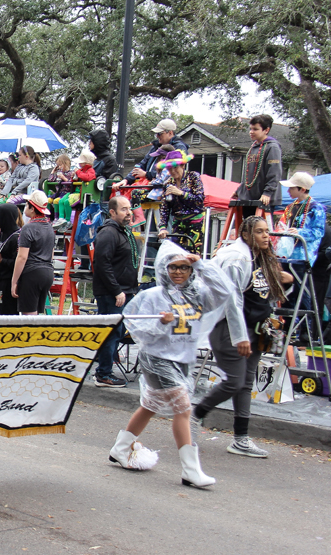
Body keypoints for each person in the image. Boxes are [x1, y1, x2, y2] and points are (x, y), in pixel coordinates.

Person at [109, 241, 232, 488]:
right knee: (183, 409)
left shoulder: (197, 295)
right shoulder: (152, 296)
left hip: (182, 360)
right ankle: (190, 471)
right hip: (157, 360)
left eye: (184, 267)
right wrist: (161, 324)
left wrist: (203, 265)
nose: (178, 272)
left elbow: (224, 293)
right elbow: (135, 327)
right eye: (173, 267)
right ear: (164, 269)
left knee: (150, 406)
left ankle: (120, 449)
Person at [192, 216, 293, 458]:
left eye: (267, 231)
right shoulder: (237, 258)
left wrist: (284, 281)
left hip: (255, 328)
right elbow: (231, 300)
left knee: (245, 384)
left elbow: (261, 292)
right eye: (259, 231)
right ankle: (194, 415)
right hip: (230, 328)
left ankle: (241, 439)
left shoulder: (262, 258)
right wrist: (239, 337)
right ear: (246, 234)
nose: (266, 235)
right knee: (235, 382)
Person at [92, 196, 139, 387]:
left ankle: (105, 367)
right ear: (112, 212)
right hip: (112, 293)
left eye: (129, 209)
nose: (128, 213)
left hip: (124, 291)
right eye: (123, 209)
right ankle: (103, 373)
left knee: (117, 332)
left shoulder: (122, 231)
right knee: (110, 332)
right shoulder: (109, 233)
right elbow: (102, 264)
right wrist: (117, 290)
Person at [277, 172, 324, 344]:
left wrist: (300, 232)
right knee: (286, 290)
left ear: (302, 189)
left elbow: (318, 232)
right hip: (285, 253)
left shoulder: (316, 208)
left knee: (302, 291)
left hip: (302, 254)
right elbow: (282, 223)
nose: (288, 191)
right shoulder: (290, 207)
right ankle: (288, 328)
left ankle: (306, 331)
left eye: (292, 188)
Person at [230, 114, 283, 218]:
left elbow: (274, 172)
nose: (251, 132)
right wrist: (240, 191)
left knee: (259, 230)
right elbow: (248, 174)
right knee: (247, 230)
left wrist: (267, 193)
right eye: (250, 129)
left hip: (263, 199)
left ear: (266, 130)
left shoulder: (272, 147)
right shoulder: (253, 147)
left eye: (255, 129)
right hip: (249, 198)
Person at [112, 118, 188, 190]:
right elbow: (142, 164)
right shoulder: (155, 147)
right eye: (156, 134)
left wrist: (147, 174)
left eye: (160, 133)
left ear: (170, 133)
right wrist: (126, 180)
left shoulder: (179, 148)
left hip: (166, 190)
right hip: (150, 186)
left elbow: (173, 173)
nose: (157, 136)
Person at [11, 192, 55, 315]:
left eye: (26, 205)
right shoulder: (49, 227)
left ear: (32, 208)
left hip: (31, 273)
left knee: (28, 316)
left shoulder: (28, 228)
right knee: (36, 315)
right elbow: (51, 254)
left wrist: (14, 281)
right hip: (47, 272)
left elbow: (22, 257)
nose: (25, 207)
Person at [156, 150, 206, 255]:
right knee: (176, 253)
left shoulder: (193, 177)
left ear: (183, 166)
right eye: (170, 169)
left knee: (193, 254)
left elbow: (200, 199)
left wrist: (181, 193)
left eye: (175, 167)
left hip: (194, 221)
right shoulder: (168, 183)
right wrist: (162, 228)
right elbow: (165, 208)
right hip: (178, 221)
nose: (173, 171)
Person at [0, 203, 22, 315]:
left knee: (9, 313)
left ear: (6, 218)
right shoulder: (3, 234)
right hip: (0, 281)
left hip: (9, 283)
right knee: (2, 310)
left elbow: (19, 262)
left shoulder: (17, 237)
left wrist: (1, 260)